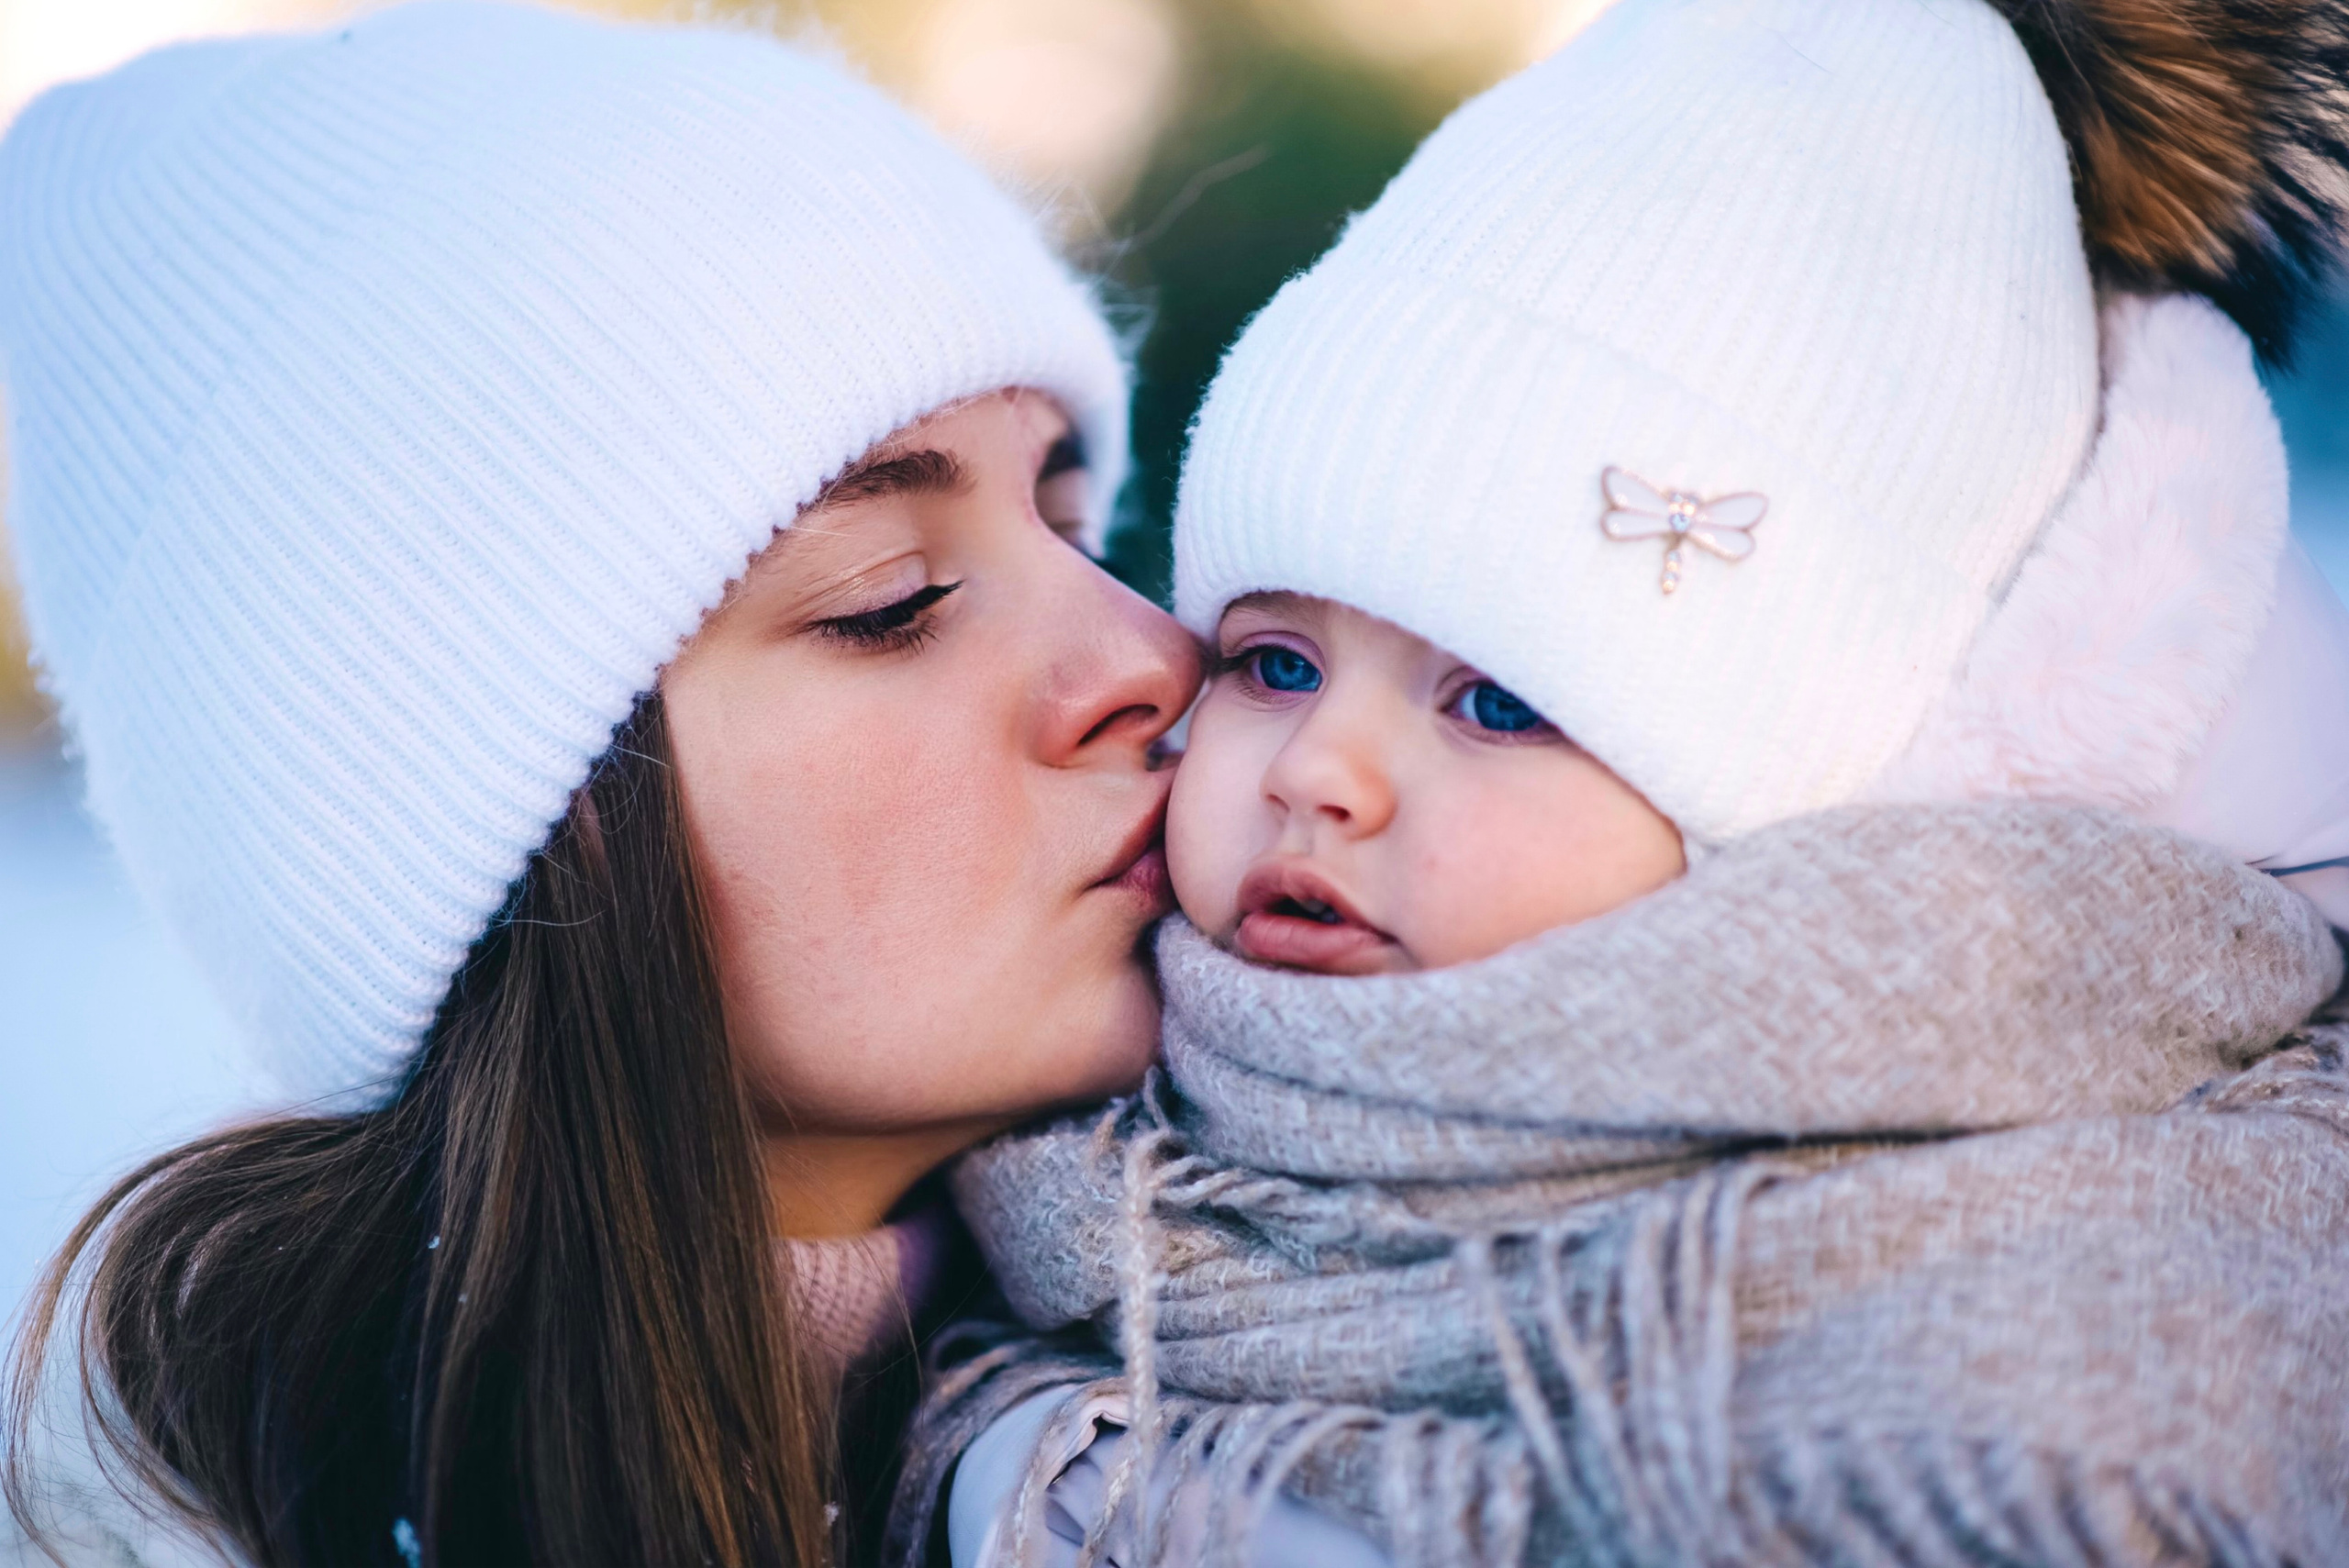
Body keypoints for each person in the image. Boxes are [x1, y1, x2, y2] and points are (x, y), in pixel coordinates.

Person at [918, 0, 2349, 1562]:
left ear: (1808, 805)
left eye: (1498, 703)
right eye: (1274, 663)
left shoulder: (2067, 1322)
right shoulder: (1077, 1189)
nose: (1320, 773)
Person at [0, 6, 1200, 1565]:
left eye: (1074, 530)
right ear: (510, 831)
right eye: (893, 597)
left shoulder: (1358, 1369)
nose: (1152, 649)